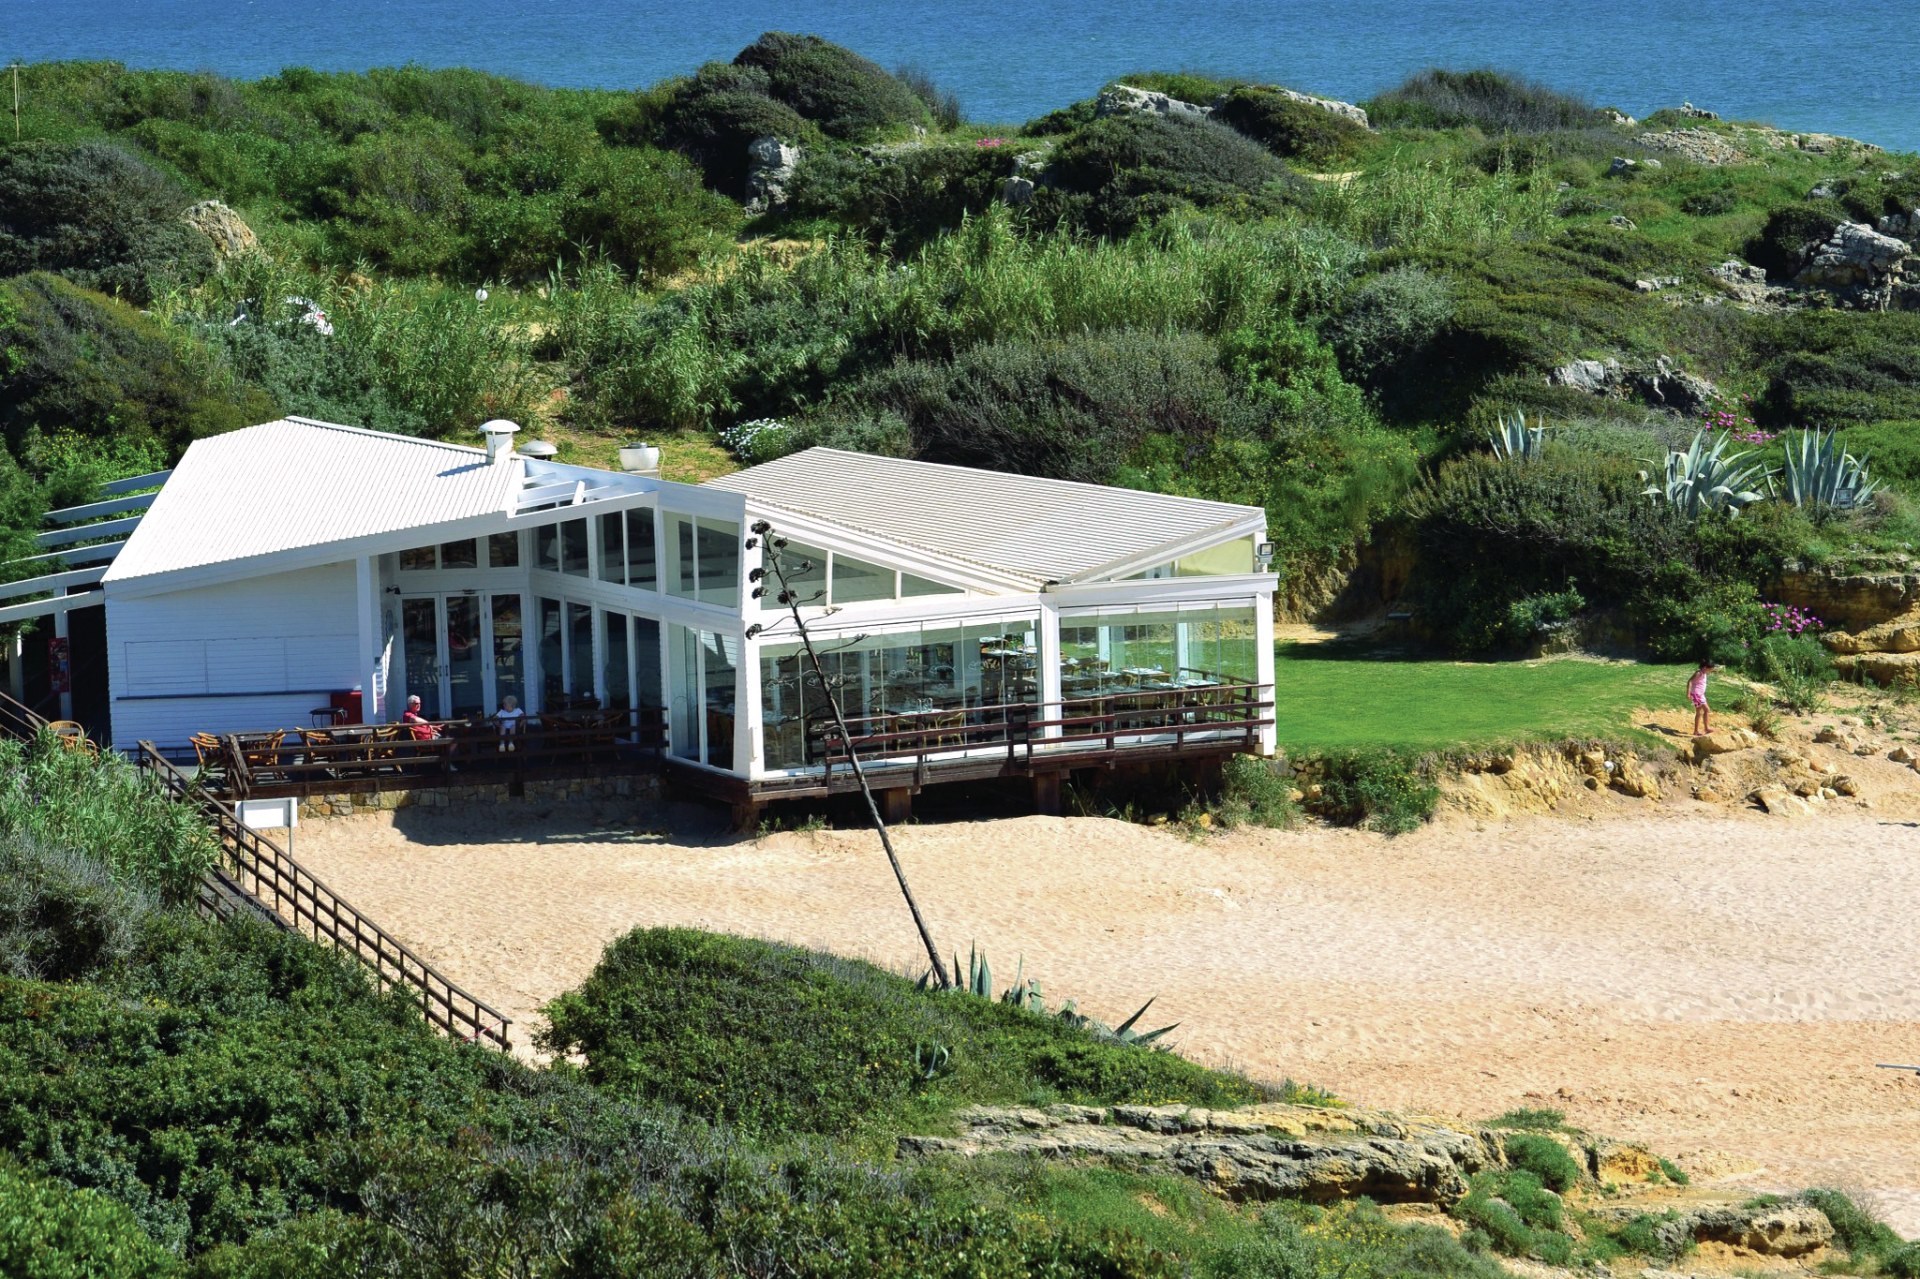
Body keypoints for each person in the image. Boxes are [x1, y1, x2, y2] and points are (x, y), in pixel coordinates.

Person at [1688, 660, 1719, 736]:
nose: (1710, 671)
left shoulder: (1703, 673)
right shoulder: (1699, 673)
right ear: (1705, 667)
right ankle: (1706, 728)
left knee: (1699, 712)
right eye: (1710, 670)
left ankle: (1697, 731)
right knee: (1706, 710)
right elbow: (1690, 681)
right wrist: (1688, 693)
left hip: (1700, 695)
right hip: (1696, 694)